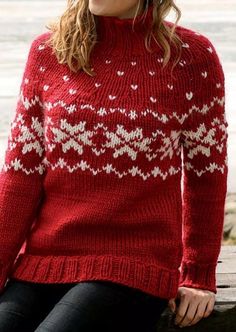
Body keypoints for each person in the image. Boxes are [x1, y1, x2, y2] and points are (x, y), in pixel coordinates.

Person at [0, 0, 228, 331]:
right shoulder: (48, 52)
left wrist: (199, 274)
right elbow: (21, 174)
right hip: (44, 261)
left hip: (134, 268)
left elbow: (206, 175)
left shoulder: (190, 57)